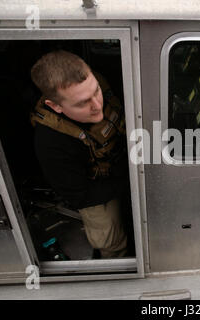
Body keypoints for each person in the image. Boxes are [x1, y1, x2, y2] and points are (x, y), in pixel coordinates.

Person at [30, 50, 129, 259]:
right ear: (55, 106)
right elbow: (79, 195)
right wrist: (130, 181)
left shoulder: (96, 80)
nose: (97, 105)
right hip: (95, 188)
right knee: (109, 238)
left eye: (96, 92)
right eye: (83, 103)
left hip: (124, 158)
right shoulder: (50, 141)